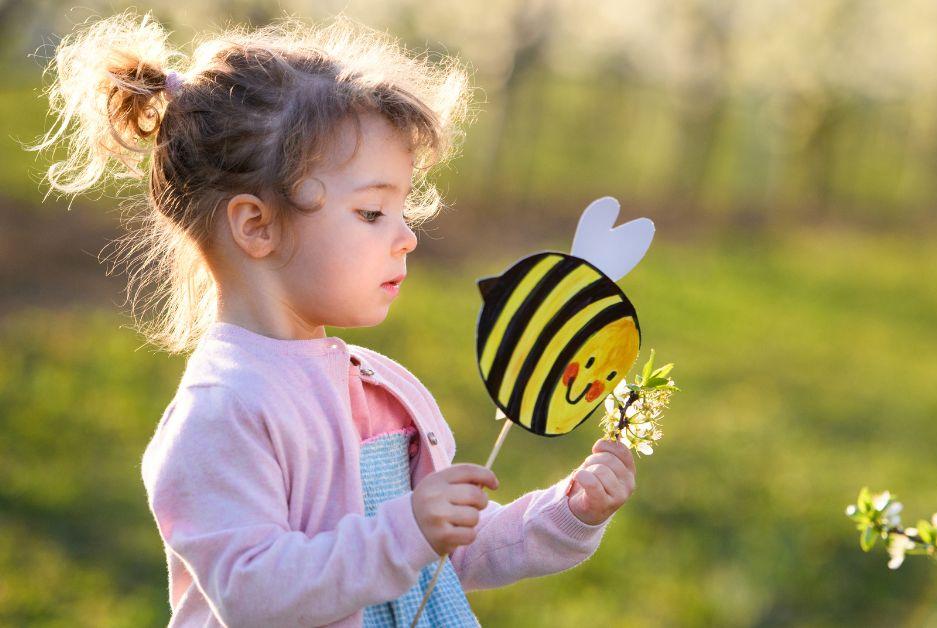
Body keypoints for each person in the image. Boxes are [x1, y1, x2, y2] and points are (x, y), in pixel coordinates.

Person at [30, 10, 637, 627]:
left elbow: (440, 561)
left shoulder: (380, 387)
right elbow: (251, 593)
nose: (406, 238)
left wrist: (567, 512)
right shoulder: (226, 409)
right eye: (373, 212)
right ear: (257, 225)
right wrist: (408, 532)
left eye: (403, 211)